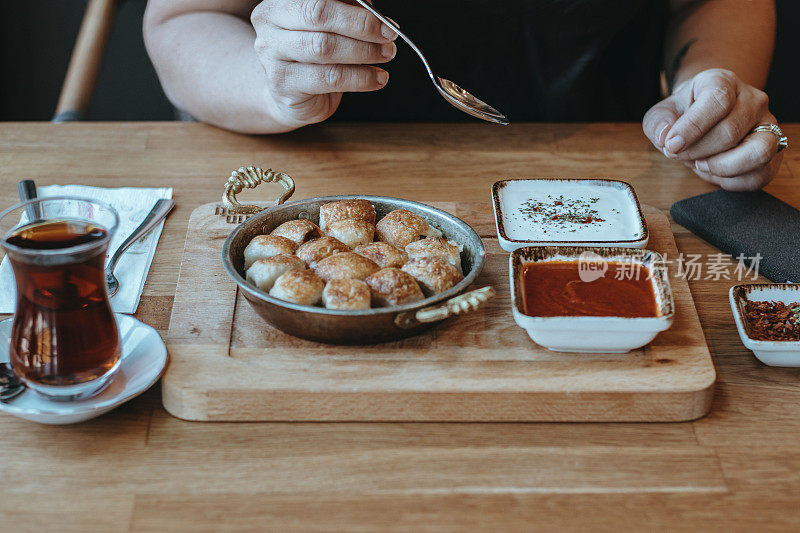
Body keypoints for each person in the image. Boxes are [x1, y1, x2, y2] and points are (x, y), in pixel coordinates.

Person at [143, 0, 786, 191]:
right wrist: (270, 83)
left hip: (619, 190)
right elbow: (180, 19)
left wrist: (713, 84)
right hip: (325, 184)